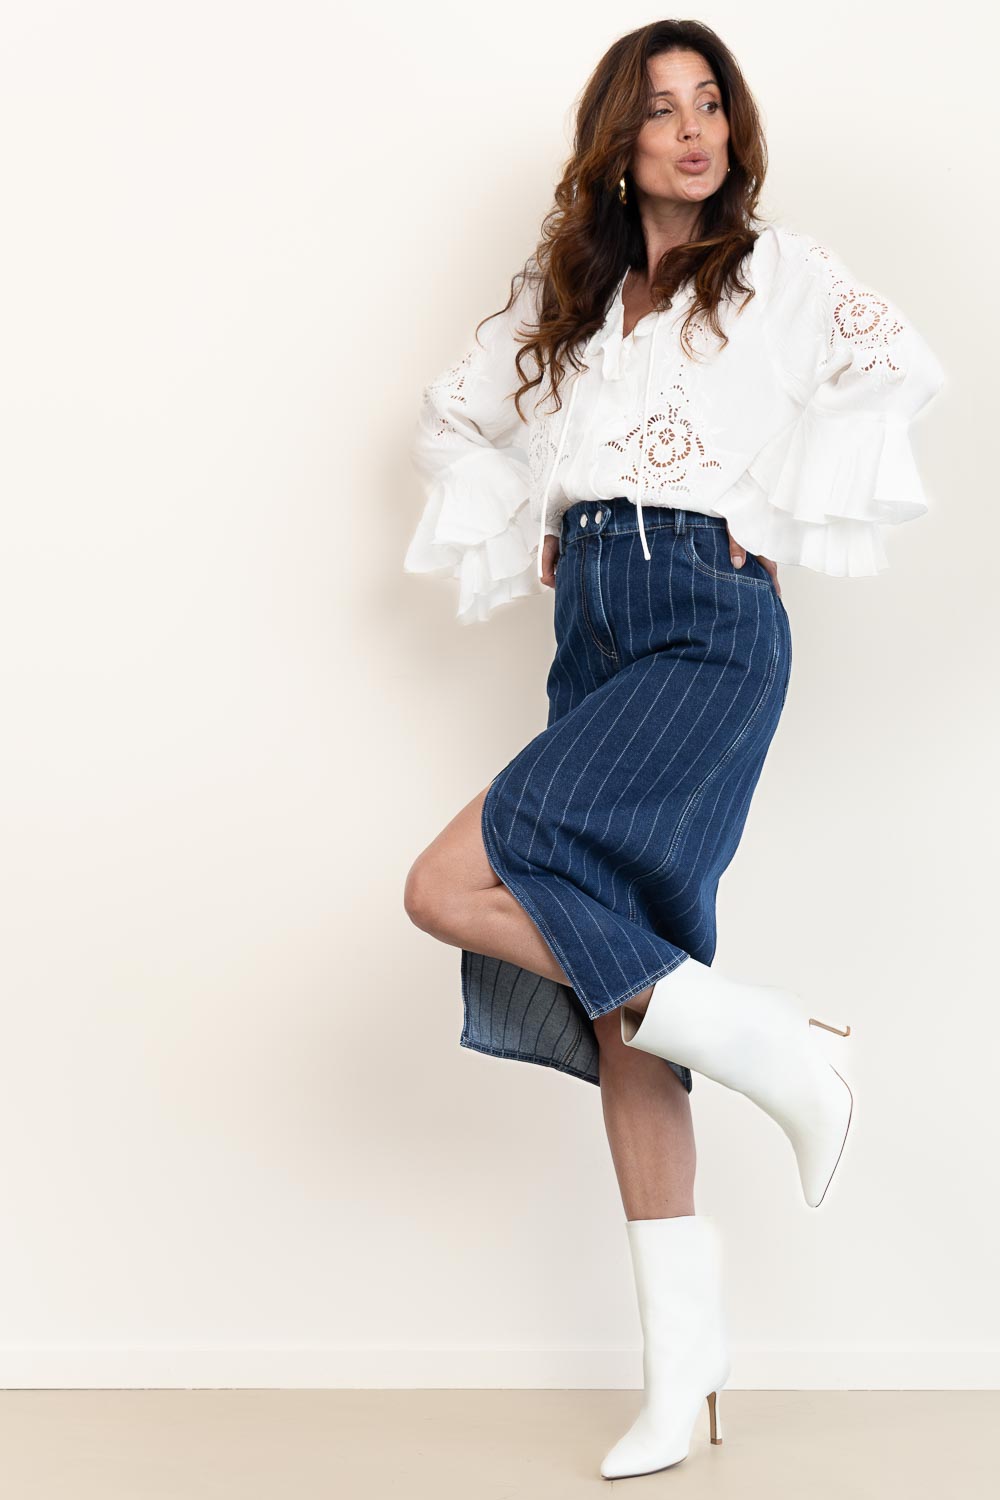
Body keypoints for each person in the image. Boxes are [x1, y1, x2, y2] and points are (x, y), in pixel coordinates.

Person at [401, 19, 946, 1483]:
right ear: (618, 140)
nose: (694, 130)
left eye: (711, 104)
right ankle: (684, 1374)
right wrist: (540, 522)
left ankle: (777, 1043)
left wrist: (765, 511)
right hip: (593, 632)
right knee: (626, 1015)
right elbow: (452, 416)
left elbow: (899, 367)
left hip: (710, 620)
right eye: (662, 109)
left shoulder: (778, 271)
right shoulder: (571, 296)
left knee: (448, 885)